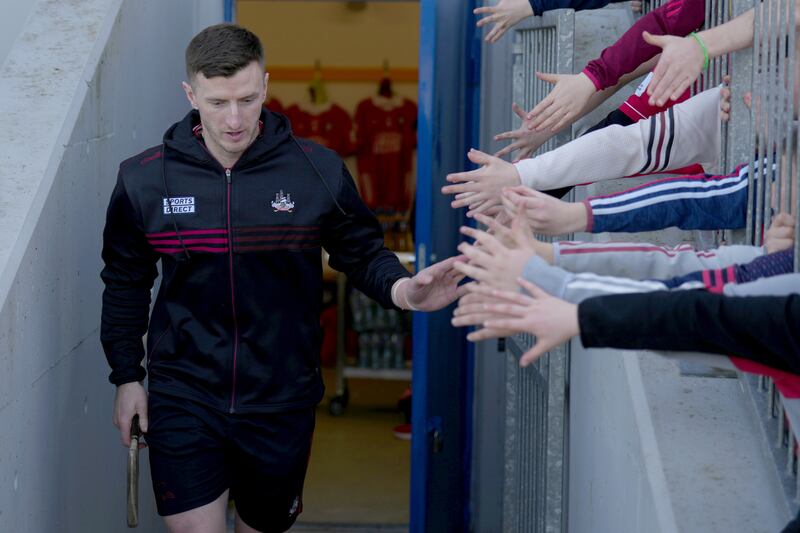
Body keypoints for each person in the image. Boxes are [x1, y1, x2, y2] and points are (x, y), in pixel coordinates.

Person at [100, 24, 465, 533]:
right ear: (190, 94)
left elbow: (360, 253)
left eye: (247, 100)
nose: (234, 119)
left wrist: (403, 290)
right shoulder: (145, 178)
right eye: (218, 102)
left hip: (281, 397)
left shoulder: (315, 169)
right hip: (185, 393)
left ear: (266, 87)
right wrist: (127, 376)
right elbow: (125, 281)